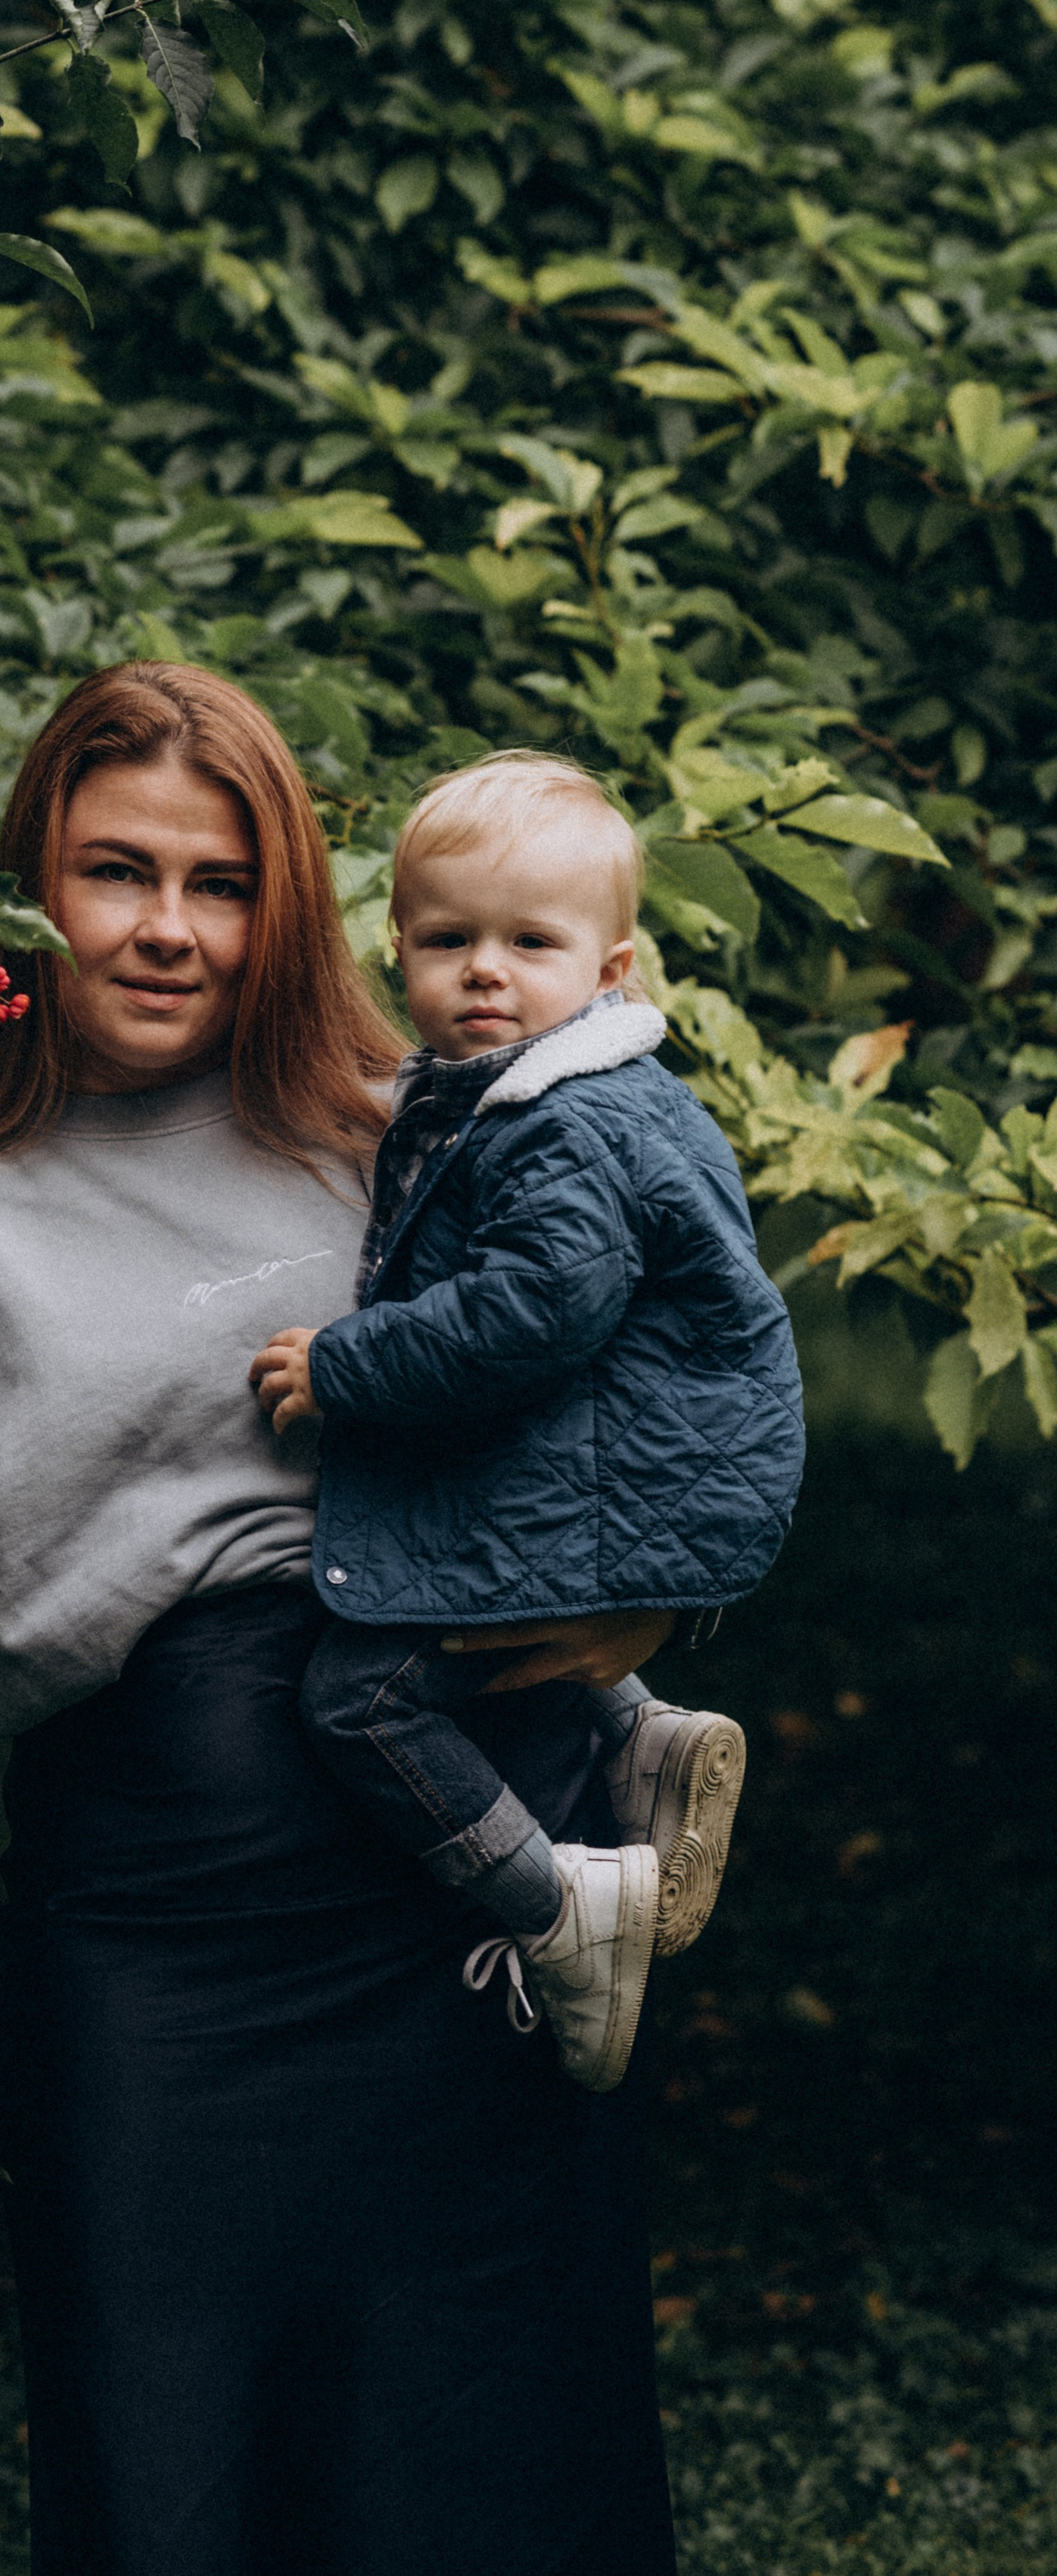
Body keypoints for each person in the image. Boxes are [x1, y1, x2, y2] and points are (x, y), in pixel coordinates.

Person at [0, 667, 685, 2576]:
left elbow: (666, 1352)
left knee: (482, 2466)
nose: (168, 928)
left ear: (285, 909)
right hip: (159, 1932)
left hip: (475, 1883)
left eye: (221, 882)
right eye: (116, 872)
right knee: (166, 2470)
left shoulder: (419, 1134)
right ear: (30, 890)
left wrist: (645, 1587)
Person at [250, 753, 804, 2094]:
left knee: (361, 1698)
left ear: (612, 970)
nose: (485, 971)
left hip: (627, 1465)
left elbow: (533, 1310)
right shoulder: (529, 1094)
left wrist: (348, 1367)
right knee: (491, 1592)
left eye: (529, 944)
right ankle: (637, 1733)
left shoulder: (566, 1122)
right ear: (398, 948)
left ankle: (561, 1910)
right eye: (449, 940)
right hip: (628, 1459)